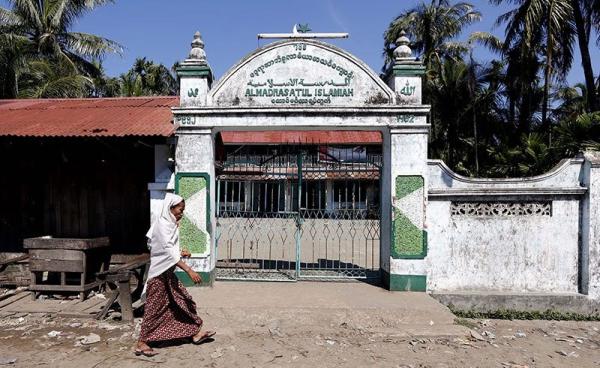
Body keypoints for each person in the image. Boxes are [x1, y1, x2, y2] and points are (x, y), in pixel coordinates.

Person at [135, 193, 215, 357]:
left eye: (183, 210)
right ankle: (141, 343)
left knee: (183, 302)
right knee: (154, 309)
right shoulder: (163, 225)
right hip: (158, 276)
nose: (181, 213)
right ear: (170, 208)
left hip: (168, 274)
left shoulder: (170, 224)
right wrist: (189, 270)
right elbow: (166, 252)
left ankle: (194, 333)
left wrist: (180, 252)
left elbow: (169, 249)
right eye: (180, 209)